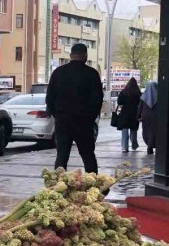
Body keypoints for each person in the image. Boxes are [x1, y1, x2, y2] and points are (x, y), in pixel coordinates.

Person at [45, 43, 103, 172]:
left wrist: (57, 114)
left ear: (71, 55)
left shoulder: (58, 72)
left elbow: (50, 97)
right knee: (88, 156)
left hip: (63, 120)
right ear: (85, 56)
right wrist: (90, 118)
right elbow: (97, 99)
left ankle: (58, 186)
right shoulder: (92, 74)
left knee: (62, 156)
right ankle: (93, 186)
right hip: (84, 122)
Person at [113, 77, 142, 153]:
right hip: (134, 113)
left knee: (125, 131)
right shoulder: (138, 93)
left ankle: (125, 147)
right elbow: (140, 103)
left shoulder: (124, 92)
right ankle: (134, 145)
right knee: (133, 130)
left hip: (125, 113)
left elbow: (119, 102)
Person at [139, 80, 158, 155]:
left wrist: (138, 115)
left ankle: (149, 146)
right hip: (157, 117)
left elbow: (140, 107)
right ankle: (156, 145)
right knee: (156, 132)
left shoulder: (144, 96)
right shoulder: (160, 95)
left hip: (146, 116)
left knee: (147, 131)